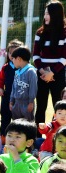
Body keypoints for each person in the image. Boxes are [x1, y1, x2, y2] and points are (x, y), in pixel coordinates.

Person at [34, 0, 66, 128]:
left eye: (48, 14)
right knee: (40, 107)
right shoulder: (40, 32)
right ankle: (37, 137)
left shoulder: (64, 32)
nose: (45, 17)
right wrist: (43, 72)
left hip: (58, 74)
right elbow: (35, 55)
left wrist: (52, 73)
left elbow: (64, 57)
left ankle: (60, 134)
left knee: (58, 106)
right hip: (41, 75)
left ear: (56, 15)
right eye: (44, 13)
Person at [10, 46, 38, 121]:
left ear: (18, 59)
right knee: (16, 124)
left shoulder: (31, 71)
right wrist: (11, 101)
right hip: (16, 103)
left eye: (13, 59)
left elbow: (33, 87)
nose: (12, 61)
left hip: (26, 104)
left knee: (27, 124)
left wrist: (31, 103)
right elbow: (14, 87)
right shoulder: (17, 72)